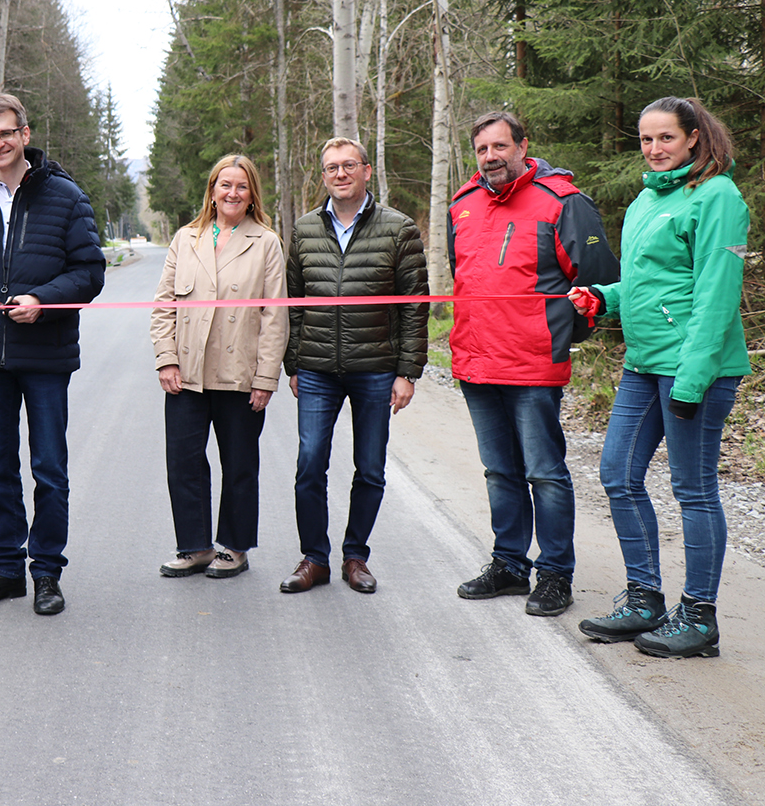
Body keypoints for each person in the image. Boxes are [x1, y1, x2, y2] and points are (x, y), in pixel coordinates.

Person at [571, 97, 750, 658]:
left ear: (694, 137)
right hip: (643, 362)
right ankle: (644, 598)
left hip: (694, 368)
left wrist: (691, 381)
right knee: (618, 474)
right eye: (646, 140)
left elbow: (715, 295)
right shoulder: (650, 197)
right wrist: (604, 298)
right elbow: (650, 285)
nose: (654, 149)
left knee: (693, 490)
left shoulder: (719, 196)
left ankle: (699, 616)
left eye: (665, 138)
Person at [0, 93, 105, 616]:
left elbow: (90, 272)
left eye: (5, 132)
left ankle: (47, 573)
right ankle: (6, 569)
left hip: (46, 354)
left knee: (49, 467)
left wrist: (43, 301)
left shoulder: (65, 196)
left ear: (25, 134)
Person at [449, 111, 618, 616]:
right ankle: (509, 565)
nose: (491, 157)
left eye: (500, 146)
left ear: (524, 145)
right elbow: (462, 275)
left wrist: (556, 335)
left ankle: (556, 574)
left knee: (544, 472)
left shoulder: (562, 202)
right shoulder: (463, 203)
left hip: (532, 365)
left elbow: (599, 283)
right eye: (482, 149)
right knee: (500, 471)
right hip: (475, 361)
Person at [280, 138, 428, 595]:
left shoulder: (399, 229)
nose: (340, 174)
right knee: (309, 464)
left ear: (367, 171)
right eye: (331, 168)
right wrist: (294, 363)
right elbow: (293, 302)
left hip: (376, 368)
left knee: (370, 468)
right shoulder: (305, 230)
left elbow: (414, 306)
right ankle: (314, 558)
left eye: (349, 166)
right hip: (318, 368)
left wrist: (408, 372)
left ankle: (356, 557)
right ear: (323, 176)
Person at [150, 154, 287, 581]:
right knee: (184, 462)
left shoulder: (265, 242)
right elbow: (163, 306)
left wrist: (266, 378)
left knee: (240, 463)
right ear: (211, 190)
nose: (232, 193)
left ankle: (235, 546)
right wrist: (166, 359)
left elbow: (274, 316)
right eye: (224, 185)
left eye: (241, 186)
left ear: (252, 195)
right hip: (187, 374)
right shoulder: (185, 238)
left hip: (240, 376)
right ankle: (195, 547)